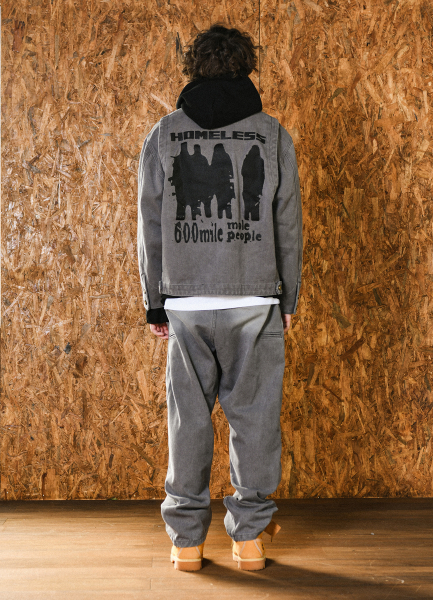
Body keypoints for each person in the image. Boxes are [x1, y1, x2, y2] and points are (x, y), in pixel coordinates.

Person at [137, 24, 303, 571]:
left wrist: (154, 300)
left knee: (188, 421)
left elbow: (151, 225)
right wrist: (288, 297)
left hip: (185, 302)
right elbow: (287, 224)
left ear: (193, 67)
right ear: (246, 66)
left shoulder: (164, 134)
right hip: (255, 301)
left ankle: (186, 542)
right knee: (255, 420)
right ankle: (249, 539)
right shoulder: (272, 134)